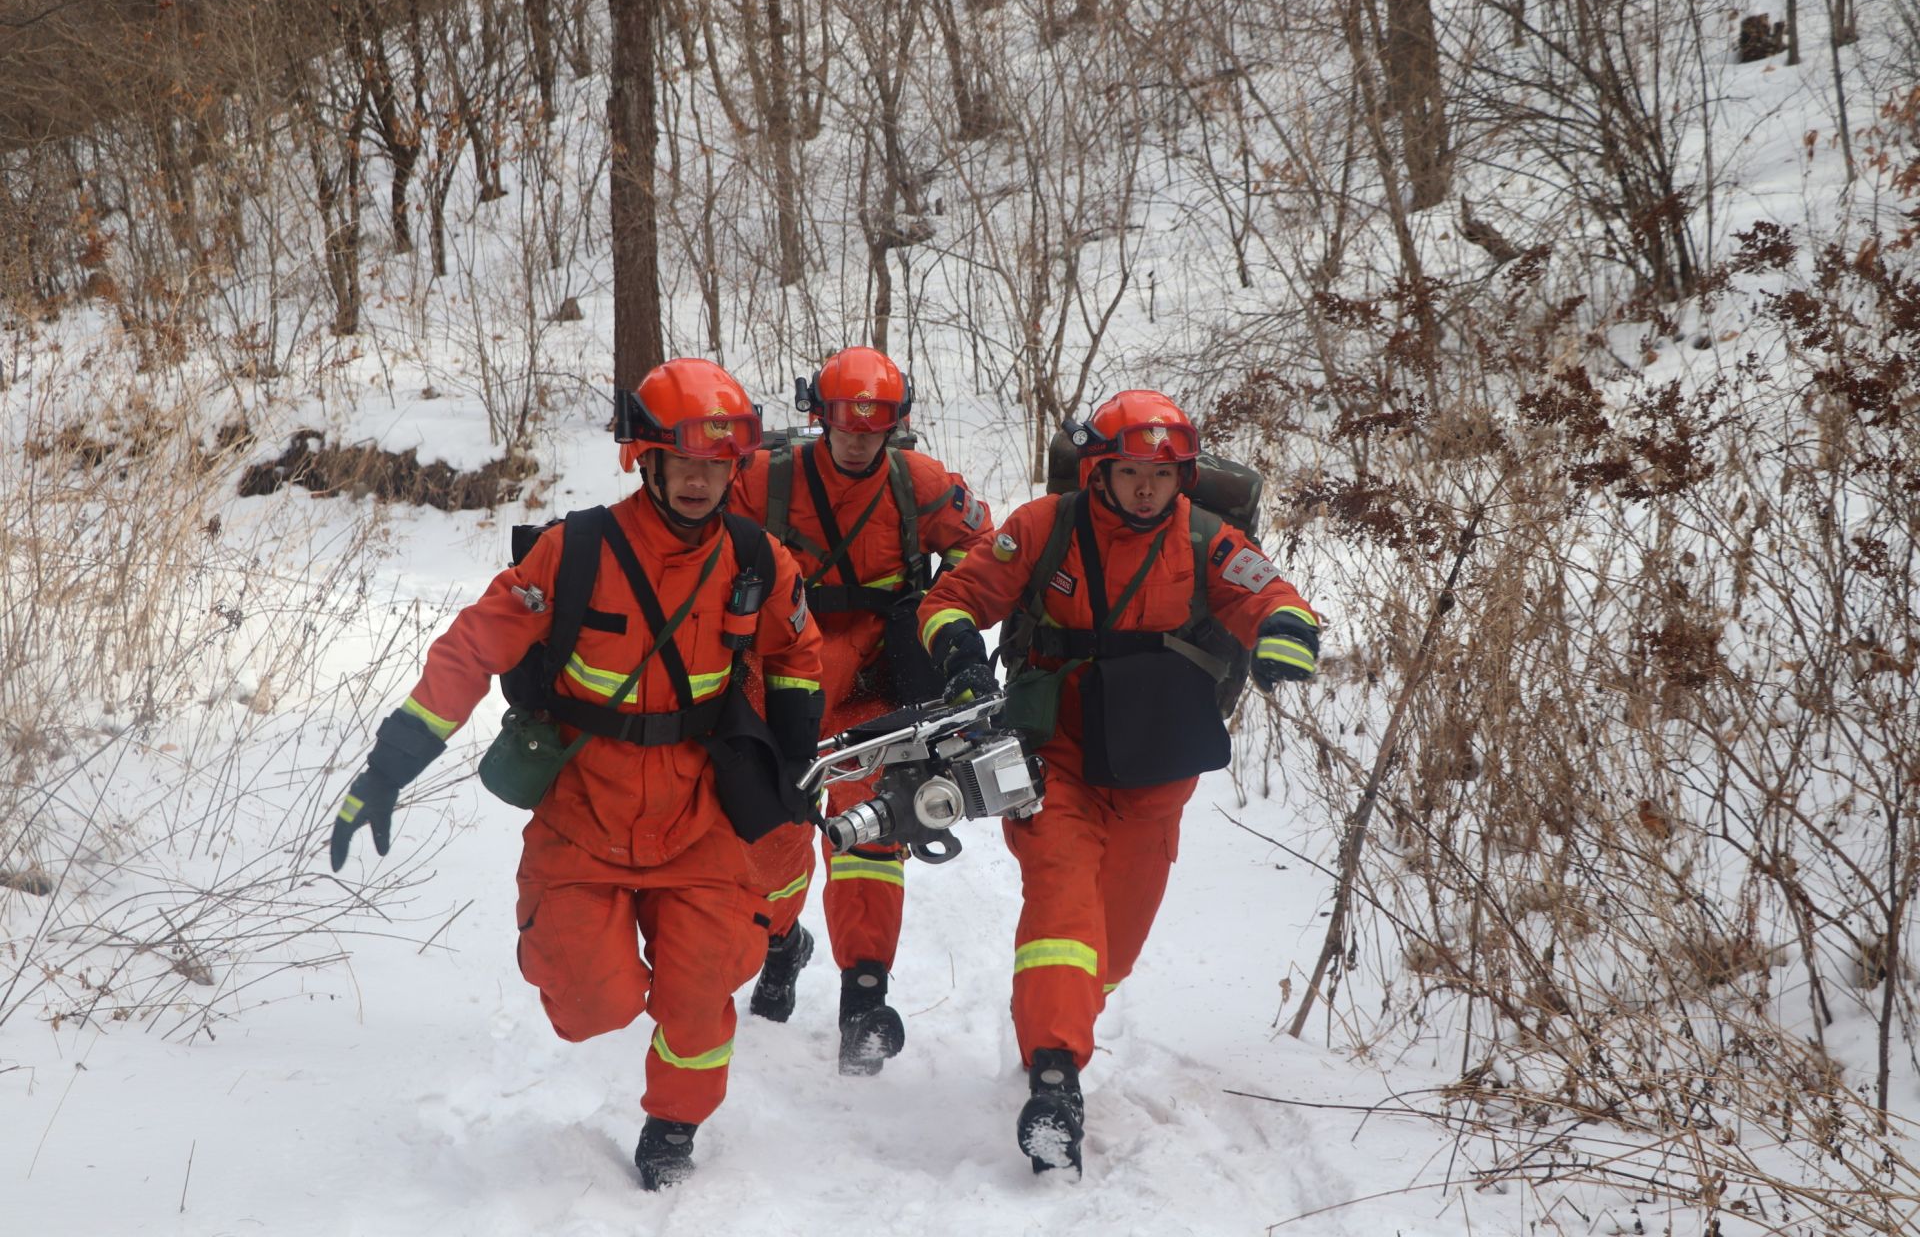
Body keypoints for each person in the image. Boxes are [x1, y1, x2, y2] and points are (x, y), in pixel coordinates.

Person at [327, 359, 824, 1190]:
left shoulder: (758, 559)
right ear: (646, 459)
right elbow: (471, 649)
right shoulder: (575, 552)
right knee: (589, 1002)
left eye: (717, 465)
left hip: (698, 812)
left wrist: (798, 739)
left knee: (700, 996)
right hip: (582, 812)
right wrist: (392, 763)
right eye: (684, 461)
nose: (701, 481)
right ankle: (623, 989)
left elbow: (797, 649)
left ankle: (674, 1124)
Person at [916, 389, 1319, 1174]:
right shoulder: (1042, 527)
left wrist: (1282, 636)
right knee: (1062, 904)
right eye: (1131, 470)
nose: (1145, 487)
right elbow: (953, 597)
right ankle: (1056, 1081)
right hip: (1054, 755)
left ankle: (1059, 1021)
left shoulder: (1208, 540)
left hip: (1154, 768)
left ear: (1184, 479)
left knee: (1112, 945)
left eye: (1162, 475)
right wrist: (961, 652)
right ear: (1098, 469)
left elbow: (1269, 595)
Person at [730, 345, 994, 1074]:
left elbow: (987, 551)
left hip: (877, 697)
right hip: (781, 688)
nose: (856, 438)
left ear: (894, 425)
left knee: (871, 836)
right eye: (844, 422)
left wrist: (946, 613)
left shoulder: (922, 484)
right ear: (819, 417)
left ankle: (864, 1002)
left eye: (873, 425)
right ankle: (783, 945)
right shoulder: (762, 481)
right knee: (770, 849)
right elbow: (693, 543)